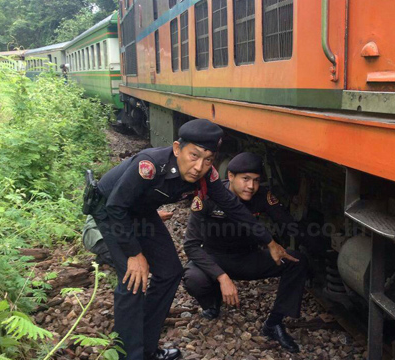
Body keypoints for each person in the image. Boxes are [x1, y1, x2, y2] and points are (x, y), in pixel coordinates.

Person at [89, 119, 296, 360]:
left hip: (141, 211)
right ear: (177, 149)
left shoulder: (207, 175)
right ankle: (129, 356)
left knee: (170, 272)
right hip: (112, 210)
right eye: (193, 156)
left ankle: (146, 348)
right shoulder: (150, 165)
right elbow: (116, 206)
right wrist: (135, 254)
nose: (199, 166)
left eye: (208, 159)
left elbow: (233, 207)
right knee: (133, 280)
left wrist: (270, 242)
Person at [183, 152, 308, 353]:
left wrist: (319, 243)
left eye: (256, 180)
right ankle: (213, 302)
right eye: (245, 179)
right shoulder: (207, 197)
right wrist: (221, 277)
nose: (251, 186)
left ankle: (274, 323)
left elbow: (288, 223)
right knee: (193, 278)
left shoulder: (261, 197)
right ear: (230, 176)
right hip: (216, 259)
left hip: (248, 258)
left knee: (297, 260)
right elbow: (190, 246)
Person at [82, 210, 174, 267]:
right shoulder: (115, 192)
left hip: (105, 233)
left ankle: (105, 257)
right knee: (129, 258)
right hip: (97, 236)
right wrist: (155, 216)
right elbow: (123, 219)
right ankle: (107, 257)